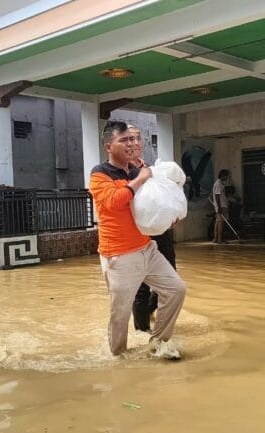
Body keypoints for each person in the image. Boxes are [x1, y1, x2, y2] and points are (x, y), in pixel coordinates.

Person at [89, 121, 186, 360]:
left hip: (147, 248)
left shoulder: (140, 168)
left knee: (176, 289)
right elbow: (113, 201)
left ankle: (159, 342)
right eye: (124, 140)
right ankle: (117, 356)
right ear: (109, 146)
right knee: (119, 313)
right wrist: (141, 178)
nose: (131, 143)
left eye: (134, 139)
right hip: (119, 255)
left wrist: (168, 216)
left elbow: (154, 203)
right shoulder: (100, 174)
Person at [127, 124, 177, 333]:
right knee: (141, 284)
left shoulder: (149, 168)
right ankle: (141, 331)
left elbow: (160, 197)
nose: (135, 142)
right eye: (129, 138)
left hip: (161, 231)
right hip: (138, 234)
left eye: (138, 137)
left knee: (171, 277)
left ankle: (150, 312)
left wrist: (172, 214)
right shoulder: (122, 171)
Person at [212, 169, 230, 244]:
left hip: (221, 205)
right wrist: (219, 207)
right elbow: (217, 196)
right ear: (222, 175)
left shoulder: (220, 183)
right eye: (226, 176)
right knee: (220, 222)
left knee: (217, 222)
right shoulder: (218, 184)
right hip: (221, 206)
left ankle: (216, 239)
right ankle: (219, 239)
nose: (227, 178)